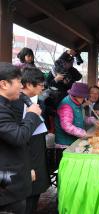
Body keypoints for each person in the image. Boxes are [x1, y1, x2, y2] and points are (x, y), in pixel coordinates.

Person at [0, 62, 42, 214]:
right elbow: (19, 137)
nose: (21, 86)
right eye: (18, 81)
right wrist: (32, 114)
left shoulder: (7, 104)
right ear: (4, 84)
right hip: (7, 184)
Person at [10, 67, 50, 214]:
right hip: (27, 158)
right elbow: (18, 136)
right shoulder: (15, 105)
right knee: (25, 200)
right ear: (28, 84)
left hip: (37, 153)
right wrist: (27, 166)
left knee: (34, 196)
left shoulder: (32, 101)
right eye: (40, 84)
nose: (42, 87)